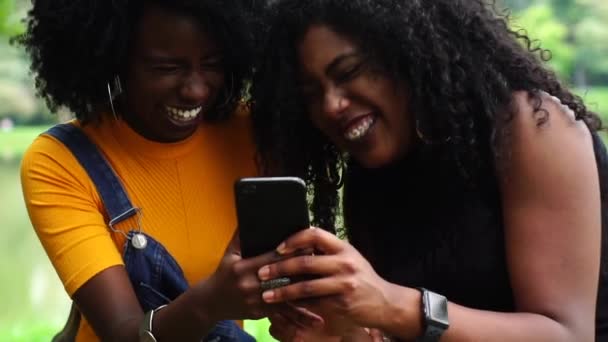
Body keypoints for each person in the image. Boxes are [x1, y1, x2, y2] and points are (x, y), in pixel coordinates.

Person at [250, 0, 608, 341]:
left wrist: (393, 305)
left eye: (349, 72)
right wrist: (343, 332)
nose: (331, 104)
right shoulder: (371, 174)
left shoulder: (528, 127)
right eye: (311, 94)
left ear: (406, 53)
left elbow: (566, 335)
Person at [17, 0, 318, 341]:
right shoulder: (59, 161)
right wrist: (212, 302)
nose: (195, 90)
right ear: (115, 59)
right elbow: (122, 333)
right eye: (166, 68)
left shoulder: (255, 134)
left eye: (212, 64)